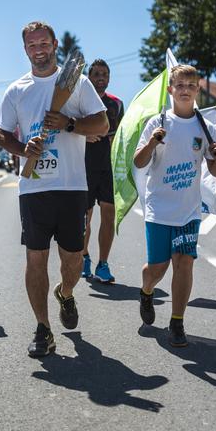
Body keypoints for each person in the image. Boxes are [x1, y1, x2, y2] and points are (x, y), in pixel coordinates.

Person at [0, 21, 109, 357]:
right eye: (32, 45)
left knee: (73, 259)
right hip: (33, 189)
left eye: (43, 43)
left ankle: (67, 292)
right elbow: (2, 134)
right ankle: (43, 328)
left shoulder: (78, 83)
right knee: (35, 259)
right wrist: (22, 149)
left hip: (72, 186)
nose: (38, 49)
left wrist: (70, 124)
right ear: (25, 49)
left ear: (55, 44)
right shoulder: (16, 90)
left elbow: (101, 123)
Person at [133, 64, 216, 347]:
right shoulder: (157, 123)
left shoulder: (205, 128)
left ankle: (177, 322)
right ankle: (147, 290)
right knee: (157, 268)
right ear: (170, 90)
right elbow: (139, 162)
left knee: (184, 263)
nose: (185, 90)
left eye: (191, 85)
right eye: (180, 85)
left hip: (189, 211)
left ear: (198, 90)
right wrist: (151, 143)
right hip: (159, 209)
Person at [82, 59, 125, 283]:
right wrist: (84, 135)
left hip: (108, 169)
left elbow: (123, 135)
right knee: (85, 220)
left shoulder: (117, 104)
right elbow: (69, 130)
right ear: (89, 78)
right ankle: (85, 256)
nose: (100, 78)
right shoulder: (79, 102)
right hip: (84, 168)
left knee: (108, 216)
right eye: (96, 74)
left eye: (104, 74)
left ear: (108, 78)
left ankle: (103, 264)